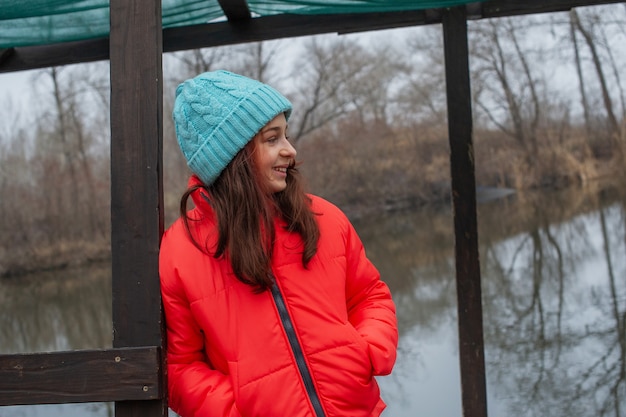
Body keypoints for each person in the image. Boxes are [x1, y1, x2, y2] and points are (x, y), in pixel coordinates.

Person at [159, 70, 398, 417]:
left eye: (285, 135)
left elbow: (369, 295)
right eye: (273, 139)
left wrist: (368, 351)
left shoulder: (324, 218)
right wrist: (237, 410)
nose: (290, 150)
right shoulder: (181, 251)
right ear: (232, 155)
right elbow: (180, 368)